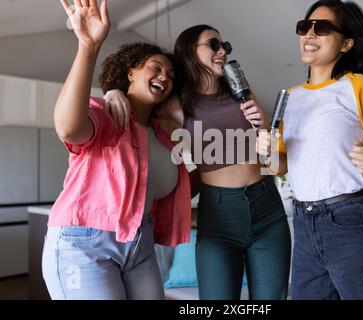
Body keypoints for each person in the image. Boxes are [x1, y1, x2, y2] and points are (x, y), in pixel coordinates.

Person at [105, 25, 291, 300]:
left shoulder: (244, 95)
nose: (222, 51)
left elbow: (278, 167)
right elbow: (137, 103)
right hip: (219, 213)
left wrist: (265, 133)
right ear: (190, 52)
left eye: (225, 45)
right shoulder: (175, 105)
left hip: (268, 207)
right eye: (213, 44)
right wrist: (113, 93)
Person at [42, 0, 192, 300]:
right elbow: (69, 128)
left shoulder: (164, 137)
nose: (165, 76)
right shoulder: (107, 113)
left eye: (171, 75)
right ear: (131, 73)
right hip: (85, 242)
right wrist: (88, 46)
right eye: (156, 67)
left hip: (139, 245)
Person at [257, 0, 363, 300]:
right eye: (305, 27)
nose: (309, 34)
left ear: (346, 43)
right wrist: (267, 152)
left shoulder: (361, 86)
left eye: (322, 28)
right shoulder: (289, 97)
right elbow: (281, 166)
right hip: (303, 223)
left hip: (349, 220)